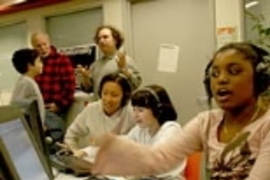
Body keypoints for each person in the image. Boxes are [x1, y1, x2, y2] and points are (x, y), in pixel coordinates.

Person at [92, 42, 270, 180]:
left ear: (261, 78)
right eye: (214, 74)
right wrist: (110, 150)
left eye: (234, 71)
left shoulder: (266, 125)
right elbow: (160, 159)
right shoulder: (206, 122)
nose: (221, 79)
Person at [64, 72, 135, 157]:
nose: (108, 99)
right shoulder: (92, 109)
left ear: (124, 97)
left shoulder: (132, 114)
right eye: (105, 93)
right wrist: (74, 152)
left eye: (114, 95)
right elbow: (71, 134)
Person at [125, 85, 186, 180]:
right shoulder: (141, 129)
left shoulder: (171, 129)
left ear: (158, 110)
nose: (135, 115)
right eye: (134, 110)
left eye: (141, 110)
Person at [31, 32, 76, 143]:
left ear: (49, 43)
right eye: (38, 46)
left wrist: (59, 105)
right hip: (38, 110)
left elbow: (70, 85)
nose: (42, 48)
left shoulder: (62, 60)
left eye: (44, 44)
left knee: (54, 141)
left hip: (55, 108)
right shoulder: (34, 63)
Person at [78, 25, 142, 100]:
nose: (101, 41)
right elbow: (88, 90)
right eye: (99, 38)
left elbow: (136, 83)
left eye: (105, 37)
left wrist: (124, 69)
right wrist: (86, 79)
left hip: (120, 109)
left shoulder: (126, 60)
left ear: (115, 40)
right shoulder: (95, 65)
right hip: (99, 108)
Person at [10, 48, 45, 125]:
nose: (42, 65)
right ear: (30, 66)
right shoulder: (25, 83)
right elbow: (17, 108)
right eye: (39, 61)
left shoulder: (29, 81)